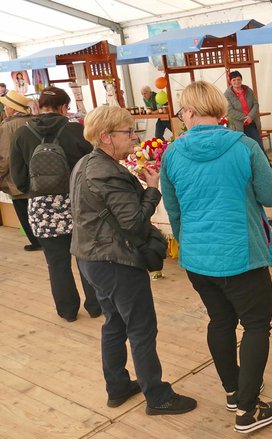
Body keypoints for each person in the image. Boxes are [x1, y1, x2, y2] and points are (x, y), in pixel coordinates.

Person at [161, 81, 272, 434]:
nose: (181, 116)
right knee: (256, 325)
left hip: (198, 257)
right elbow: (271, 194)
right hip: (241, 254)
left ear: (191, 113)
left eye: (182, 110)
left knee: (220, 321)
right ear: (220, 109)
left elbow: (173, 210)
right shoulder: (244, 146)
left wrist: (191, 244)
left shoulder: (172, 154)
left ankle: (234, 392)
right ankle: (247, 409)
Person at [70, 105, 197, 415]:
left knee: (114, 323)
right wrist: (152, 190)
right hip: (115, 261)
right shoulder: (106, 171)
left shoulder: (87, 164)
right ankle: (157, 396)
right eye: (128, 132)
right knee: (141, 327)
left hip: (91, 258)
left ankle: (117, 386)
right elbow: (134, 223)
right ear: (106, 137)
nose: (134, 137)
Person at [10, 86, 101, 322]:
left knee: (56, 263)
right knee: (86, 257)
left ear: (39, 106)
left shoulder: (21, 134)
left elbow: (18, 178)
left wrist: (37, 191)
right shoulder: (74, 130)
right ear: (63, 107)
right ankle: (95, 306)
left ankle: (67, 311)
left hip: (41, 209)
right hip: (77, 204)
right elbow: (92, 167)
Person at [0, 90, 41, 251]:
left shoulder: (7, 126)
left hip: (17, 177)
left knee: (24, 211)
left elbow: (5, 156)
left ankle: (35, 241)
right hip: (39, 175)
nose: (4, 109)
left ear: (12, 108)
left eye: (5, 106)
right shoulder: (34, 121)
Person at [224, 71, 272, 178]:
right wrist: (244, 117)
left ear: (241, 79)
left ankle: (269, 171)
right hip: (238, 127)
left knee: (259, 147)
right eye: (234, 80)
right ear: (230, 81)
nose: (237, 82)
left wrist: (250, 116)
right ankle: (246, 174)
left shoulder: (248, 90)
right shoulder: (227, 94)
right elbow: (229, 111)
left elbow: (255, 104)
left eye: (238, 79)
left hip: (251, 124)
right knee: (241, 150)